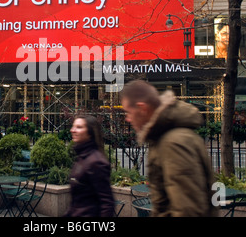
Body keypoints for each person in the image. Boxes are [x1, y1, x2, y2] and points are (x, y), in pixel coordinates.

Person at [120, 79, 218, 217]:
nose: (127, 119)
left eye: (128, 112)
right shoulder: (165, 138)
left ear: (142, 108)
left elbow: (188, 209)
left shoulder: (173, 143)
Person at [64, 115, 115, 217]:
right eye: (73, 126)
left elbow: (107, 203)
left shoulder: (96, 162)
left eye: (79, 127)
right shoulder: (82, 157)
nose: (72, 130)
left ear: (90, 133)